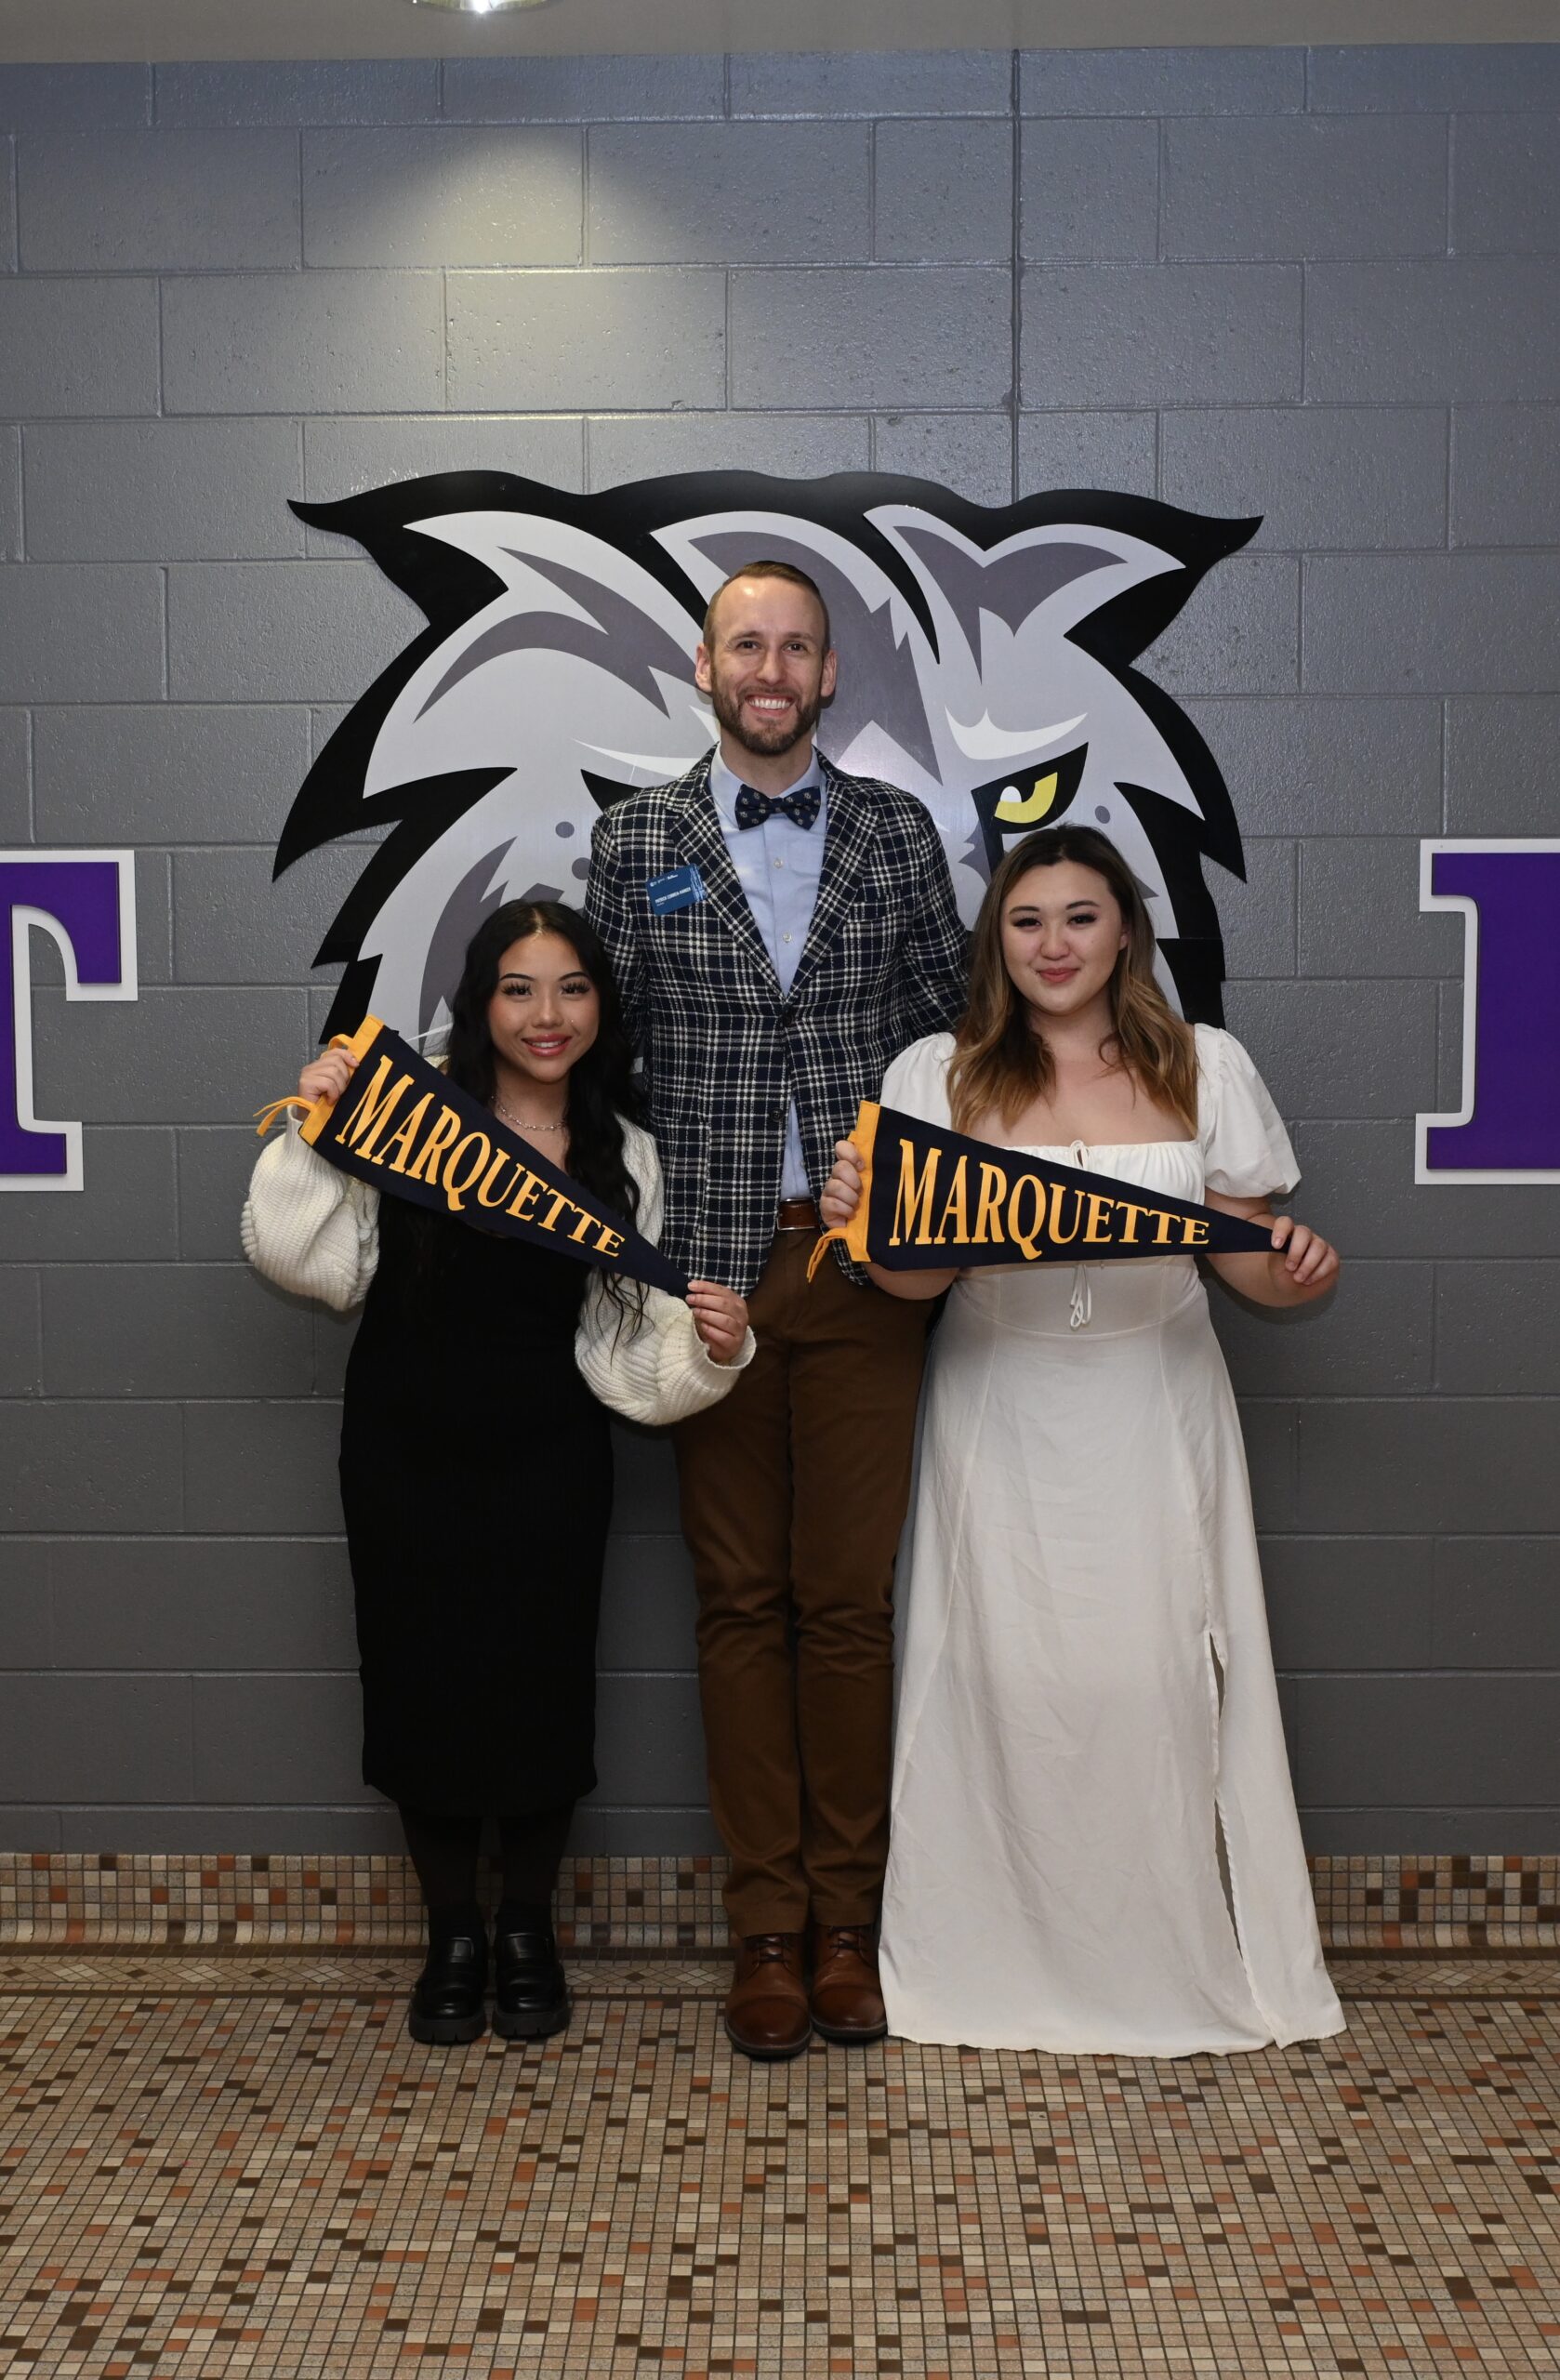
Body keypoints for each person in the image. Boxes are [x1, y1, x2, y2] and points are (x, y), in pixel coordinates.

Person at [820, 825, 1345, 2056]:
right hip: (997, 1408)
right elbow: (905, 1288)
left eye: (1079, 917)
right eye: (1027, 919)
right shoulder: (934, 1076)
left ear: (1124, 933)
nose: (1053, 944)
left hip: (1151, 1404)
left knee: (1153, 1683)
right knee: (997, 1681)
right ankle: (983, 1963)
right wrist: (867, 1222)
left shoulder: (1202, 1068)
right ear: (995, 940)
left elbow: (1250, 1268)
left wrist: (1293, 1263)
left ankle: (1161, 1958)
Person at [242, 901, 751, 2049]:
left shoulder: (627, 1153)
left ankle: (526, 1928)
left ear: (599, 1007)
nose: (546, 1014)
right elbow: (303, 1264)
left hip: (549, 1458)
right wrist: (315, 1131)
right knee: (421, 1684)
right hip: (403, 1448)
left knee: (538, 1688)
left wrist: (714, 1348)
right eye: (518, 988)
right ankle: (452, 1935)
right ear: (480, 1002)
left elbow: (633, 1355)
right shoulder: (410, 1115)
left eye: (571, 988)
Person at [586, 560, 968, 2059]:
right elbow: (572, 1043)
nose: (769, 666)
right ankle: (760, 1930)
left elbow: (951, 1039)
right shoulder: (636, 841)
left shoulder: (894, 832)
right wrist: (379, 1096)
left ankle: (847, 1927)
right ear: (702, 663)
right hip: (713, 1282)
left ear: (827, 678)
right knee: (737, 1603)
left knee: (848, 1607)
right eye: (745, 641)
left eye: (794, 646)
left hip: (864, 1273)